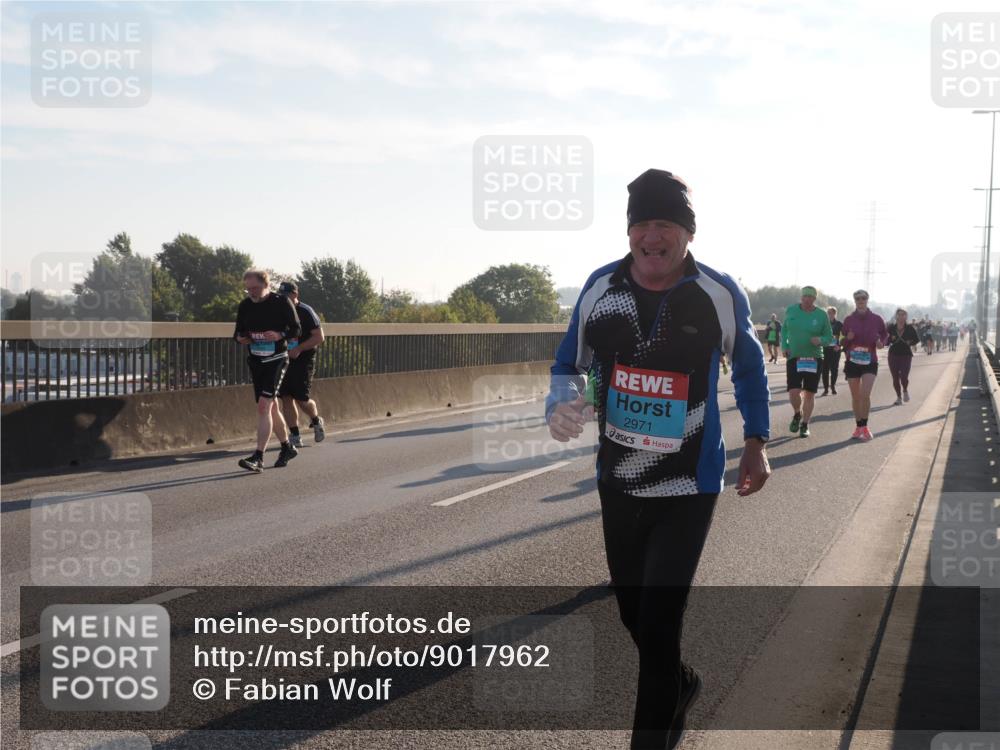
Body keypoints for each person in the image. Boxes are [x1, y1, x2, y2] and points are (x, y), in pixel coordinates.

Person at [546, 169, 770, 750]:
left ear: (687, 234)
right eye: (641, 224)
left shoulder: (717, 292)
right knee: (632, 618)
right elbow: (569, 363)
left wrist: (756, 442)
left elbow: (747, 368)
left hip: (688, 486)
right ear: (628, 233)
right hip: (617, 480)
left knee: (659, 624)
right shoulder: (601, 287)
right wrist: (560, 404)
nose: (652, 236)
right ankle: (684, 683)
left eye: (664, 224)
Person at [233, 269, 301, 472]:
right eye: (248, 288)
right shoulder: (245, 305)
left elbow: (296, 329)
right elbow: (237, 332)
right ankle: (287, 447)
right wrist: (241, 338)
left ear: (266, 285)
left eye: (255, 288)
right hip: (256, 361)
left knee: (264, 406)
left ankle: (258, 457)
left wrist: (280, 334)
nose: (251, 292)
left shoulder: (281, 302)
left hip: (277, 359)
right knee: (271, 408)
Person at [276, 281, 327, 447]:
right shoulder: (278, 310)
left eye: (286, 295)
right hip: (284, 359)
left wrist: (298, 349)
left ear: (295, 294)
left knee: (301, 398)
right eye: (280, 295)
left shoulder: (306, 311)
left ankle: (316, 420)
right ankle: (295, 435)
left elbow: (319, 337)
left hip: (303, 359)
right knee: (286, 397)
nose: (283, 298)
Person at [781, 286, 833, 438]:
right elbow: (784, 330)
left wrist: (821, 340)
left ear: (814, 299)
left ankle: (805, 424)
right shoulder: (791, 310)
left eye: (811, 297)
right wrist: (784, 346)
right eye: (805, 297)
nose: (807, 299)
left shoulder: (821, 315)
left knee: (809, 394)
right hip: (794, 356)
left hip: (814, 358)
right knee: (793, 392)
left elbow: (829, 337)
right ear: (801, 297)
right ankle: (798, 413)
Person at [842, 289, 888, 441]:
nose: (860, 300)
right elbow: (842, 341)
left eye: (863, 298)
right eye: (857, 298)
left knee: (865, 394)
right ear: (854, 301)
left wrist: (881, 343)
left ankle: (865, 426)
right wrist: (847, 338)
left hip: (870, 360)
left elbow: (884, 334)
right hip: (852, 360)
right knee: (855, 396)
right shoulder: (848, 319)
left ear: (867, 300)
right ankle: (858, 426)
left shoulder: (876, 319)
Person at [887, 308, 919, 405]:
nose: (901, 316)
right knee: (895, 377)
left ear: (906, 316)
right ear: (896, 316)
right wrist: (887, 341)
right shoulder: (891, 328)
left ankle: (905, 390)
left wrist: (911, 342)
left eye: (903, 314)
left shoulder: (910, 328)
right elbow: (886, 339)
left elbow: (917, 339)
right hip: (893, 354)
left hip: (906, 355)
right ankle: (898, 397)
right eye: (899, 314)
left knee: (904, 376)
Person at [821, 306, 843, 396]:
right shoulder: (824, 324)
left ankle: (833, 386)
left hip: (835, 350)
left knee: (834, 369)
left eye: (831, 313)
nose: (829, 315)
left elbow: (843, 337)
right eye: (828, 313)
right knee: (824, 370)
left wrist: (839, 345)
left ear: (835, 314)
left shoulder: (839, 324)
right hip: (825, 349)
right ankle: (826, 389)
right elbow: (820, 335)